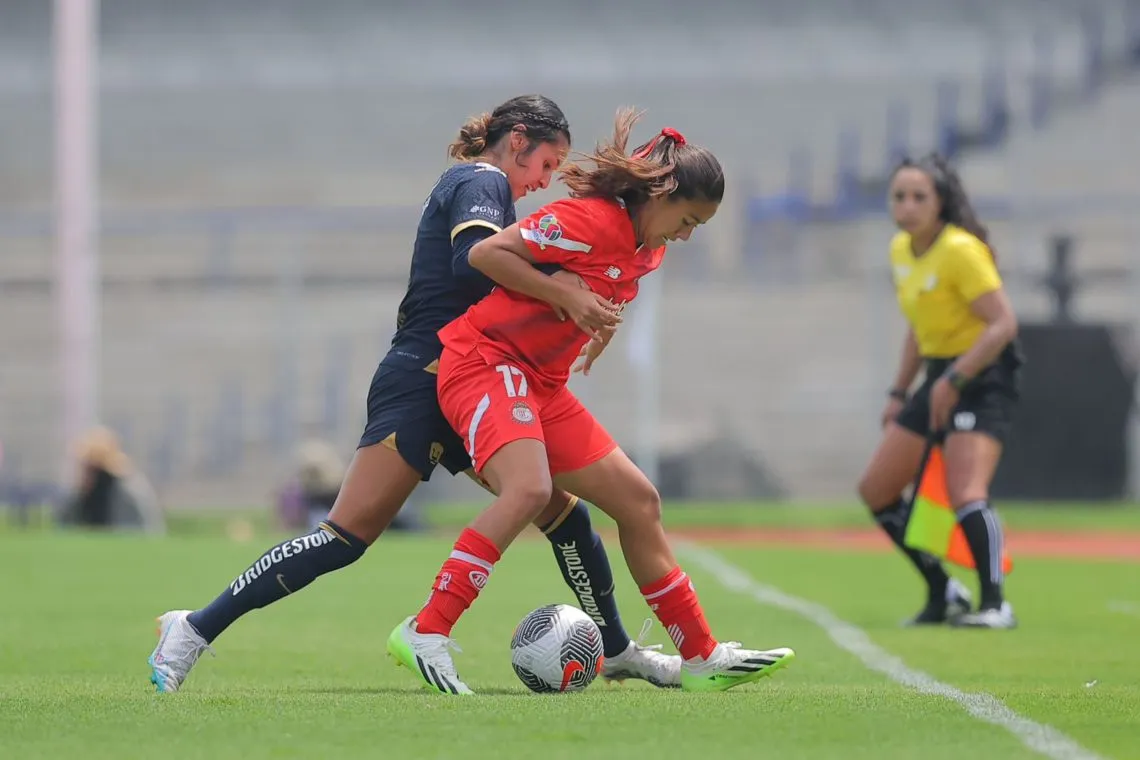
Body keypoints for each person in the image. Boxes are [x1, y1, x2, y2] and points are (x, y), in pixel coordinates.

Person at [148, 95, 682, 693]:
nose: (544, 182)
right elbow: (469, 261)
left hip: (473, 372)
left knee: (561, 512)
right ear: (517, 140)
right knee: (343, 538)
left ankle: (612, 650)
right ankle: (192, 629)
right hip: (425, 376)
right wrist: (563, 286)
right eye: (545, 164)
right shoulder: (480, 179)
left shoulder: (489, 185)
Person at [387, 108, 797, 695]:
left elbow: (594, 286)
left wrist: (596, 324)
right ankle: (426, 629)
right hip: (485, 363)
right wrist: (564, 295)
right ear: (663, 195)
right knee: (528, 490)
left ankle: (702, 656)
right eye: (688, 220)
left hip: (540, 382)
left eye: (697, 229)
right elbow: (485, 256)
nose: (685, 235)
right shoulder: (589, 219)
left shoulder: (647, 248)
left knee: (638, 501)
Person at [856, 153, 1021, 630]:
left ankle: (995, 604)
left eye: (919, 197)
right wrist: (898, 391)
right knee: (878, 490)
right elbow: (918, 326)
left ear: (941, 202)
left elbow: (1003, 324)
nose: (906, 206)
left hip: (984, 375)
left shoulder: (961, 250)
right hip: (941, 375)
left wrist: (955, 379)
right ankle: (942, 590)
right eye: (899, 196)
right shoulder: (900, 250)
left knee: (966, 492)